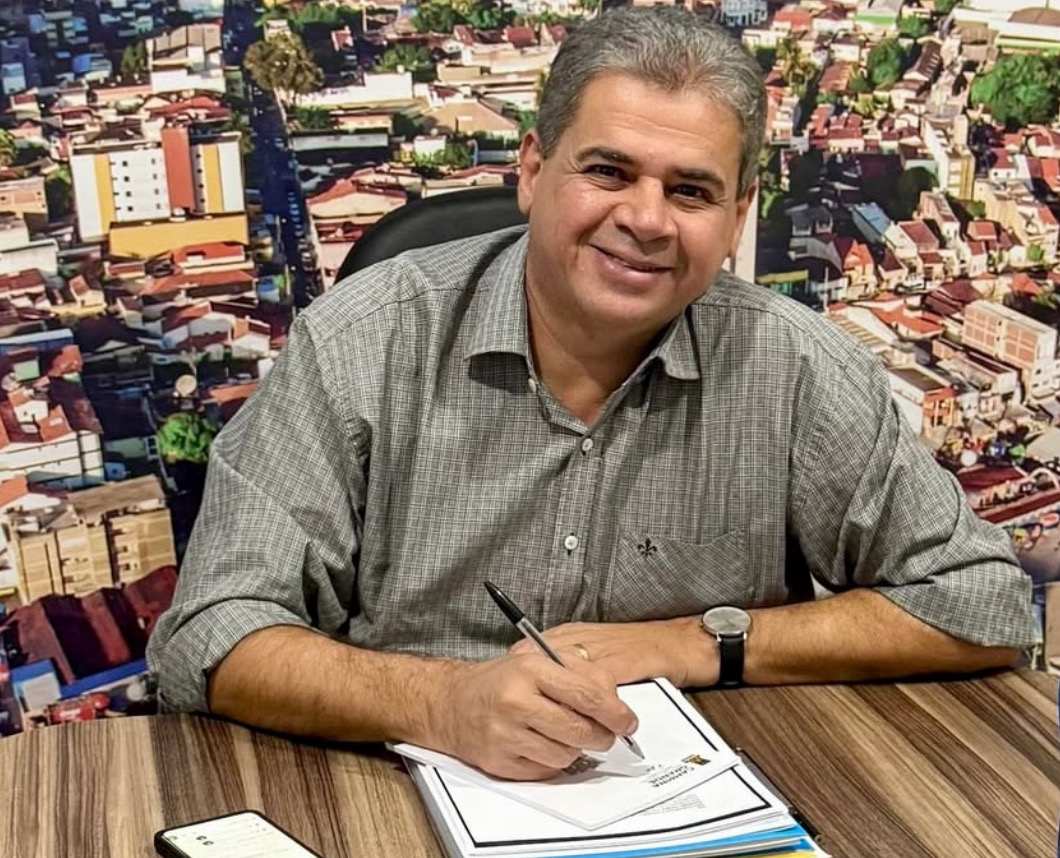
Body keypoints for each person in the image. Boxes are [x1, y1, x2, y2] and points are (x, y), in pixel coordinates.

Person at [147, 7, 1040, 781]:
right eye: (609, 172)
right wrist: (443, 703)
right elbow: (210, 635)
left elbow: (983, 604)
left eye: (690, 191)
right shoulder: (363, 340)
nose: (646, 219)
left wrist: (695, 642)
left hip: (696, 801)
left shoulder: (796, 365)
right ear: (534, 171)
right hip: (397, 786)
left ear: (736, 217)